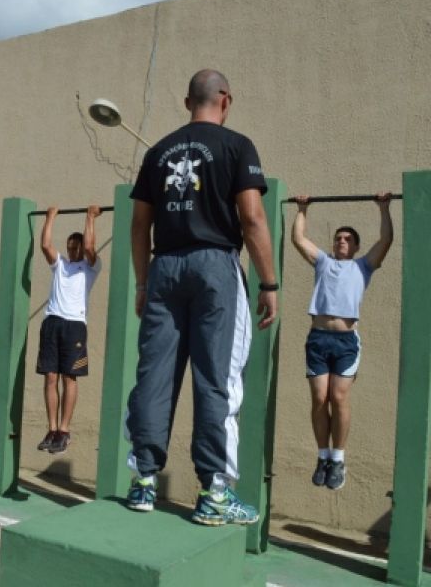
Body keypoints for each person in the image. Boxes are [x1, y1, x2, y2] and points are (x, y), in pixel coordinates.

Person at [125, 69, 278, 526]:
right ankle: (214, 492)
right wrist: (269, 283)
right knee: (217, 379)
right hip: (214, 266)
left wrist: (142, 282)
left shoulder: (158, 152)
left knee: (154, 374)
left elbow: (139, 225)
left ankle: (143, 481)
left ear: (187, 101)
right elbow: (252, 219)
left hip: (164, 267)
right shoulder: (237, 146)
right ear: (225, 100)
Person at [291, 193, 393, 490]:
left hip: (346, 342)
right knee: (319, 398)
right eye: (338, 238)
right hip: (318, 339)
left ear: (356, 246)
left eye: (348, 239)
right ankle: (323, 456)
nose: (341, 241)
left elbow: (386, 239)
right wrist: (302, 209)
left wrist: (383, 208)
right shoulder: (323, 262)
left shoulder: (363, 266)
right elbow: (299, 238)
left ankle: (338, 459)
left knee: (338, 397)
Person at [35, 205, 102, 454]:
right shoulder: (60, 265)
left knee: (68, 378)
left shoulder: (91, 266)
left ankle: (64, 430)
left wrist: (90, 217)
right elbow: (45, 245)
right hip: (52, 322)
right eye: (70, 247)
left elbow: (90, 247)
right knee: (50, 377)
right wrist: (50, 217)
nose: (73, 251)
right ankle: (52, 429)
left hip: (74, 325)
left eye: (76, 248)